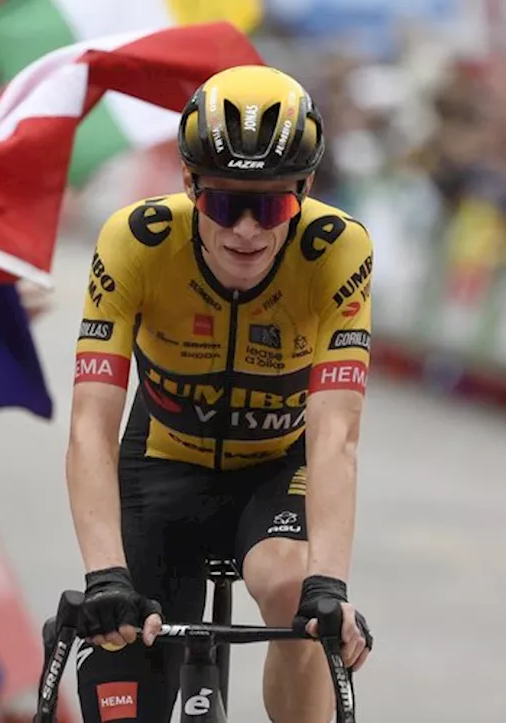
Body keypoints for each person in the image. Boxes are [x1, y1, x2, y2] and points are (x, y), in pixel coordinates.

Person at [67, 65, 374, 723]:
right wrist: (104, 578)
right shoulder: (136, 241)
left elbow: (335, 434)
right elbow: (92, 422)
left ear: (304, 191)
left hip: (274, 472)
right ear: (188, 185)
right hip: (160, 466)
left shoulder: (337, 251)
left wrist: (330, 583)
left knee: (295, 592)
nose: (246, 230)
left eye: (270, 206)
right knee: (126, 667)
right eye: (224, 203)